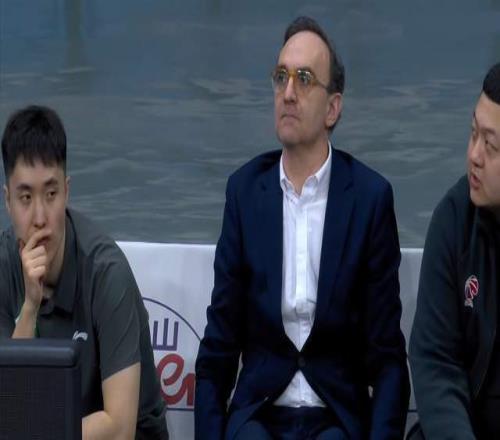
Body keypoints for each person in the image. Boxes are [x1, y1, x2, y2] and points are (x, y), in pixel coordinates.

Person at [195, 16, 410, 440]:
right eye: (281, 77)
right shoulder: (244, 193)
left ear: (333, 108)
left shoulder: (369, 199)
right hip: (260, 414)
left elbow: (387, 360)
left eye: (304, 79)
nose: (288, 93)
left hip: (335, 418)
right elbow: (217, 351)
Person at [0, 105, 169, 440]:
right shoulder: (4, 267)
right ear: (7, 201)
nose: (39, 218)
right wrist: (30, 307)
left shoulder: (107, 272)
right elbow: (11, 410)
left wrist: (35, 432)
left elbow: (119, 428)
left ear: (67, 191)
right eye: (25, 197)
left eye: (51, 194)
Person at [409, 62, 500, 440]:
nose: (474, 155)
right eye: (473, 133)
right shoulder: (454, 219)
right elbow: (435, 362)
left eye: (490, 145)